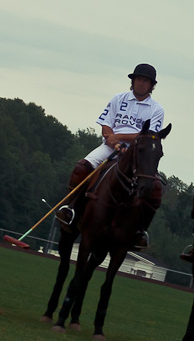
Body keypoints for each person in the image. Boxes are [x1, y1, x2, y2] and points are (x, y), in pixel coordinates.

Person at [56, 63, 165, 249]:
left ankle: (140, 231)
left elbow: (150, 136)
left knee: (155, 187)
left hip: (139, 153)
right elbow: (106, 125)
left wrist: (120, 137)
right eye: (138, 79)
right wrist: (114, 142)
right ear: (133, 81)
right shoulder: (118, 99)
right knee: (81, 167)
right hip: (109, 146)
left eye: (145, 81)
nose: (141, 83)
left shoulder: (156, 109)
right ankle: (70, 208)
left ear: (151, 85)